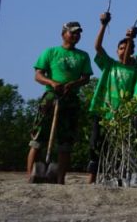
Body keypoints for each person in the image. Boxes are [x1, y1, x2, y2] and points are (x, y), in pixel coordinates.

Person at [27, 21, 93, 184]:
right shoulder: (50, 52)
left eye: (78, 33)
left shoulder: (83, 55)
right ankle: (31, 175)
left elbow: (86, 78)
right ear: (63, 34)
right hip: (50, 97)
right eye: (73, 33)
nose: (76, 36)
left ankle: (60, 178)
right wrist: (52, 83)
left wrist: (73, 84)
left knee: (66, 140)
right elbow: (38, 75)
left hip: (70, 99)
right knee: (38, 136)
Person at [87, 12, 137, 183]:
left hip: (123, 115)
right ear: (117, 51)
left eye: (129, 49)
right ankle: (92, 178)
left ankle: (115, 176)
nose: (125, 51)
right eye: (122, 48)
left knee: (118, 146)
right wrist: (103, 25)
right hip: (103, 111)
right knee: (96, 145)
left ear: (133, 52)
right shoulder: (109, 65)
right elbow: (97, 47)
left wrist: (130, 38)